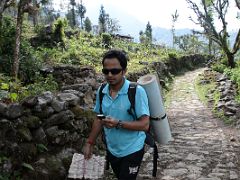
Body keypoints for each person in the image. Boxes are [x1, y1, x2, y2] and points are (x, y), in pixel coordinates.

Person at [83, 49, 150, 180]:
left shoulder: (136, 91)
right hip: (113, 149)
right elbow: (99, 119)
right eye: (105, 71)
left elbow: (145, 124)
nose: (109, 75)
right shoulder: (102, 90)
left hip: (133, 149)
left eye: (114, 71)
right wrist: (89, 143)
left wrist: (118, 123)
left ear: (124, 71)